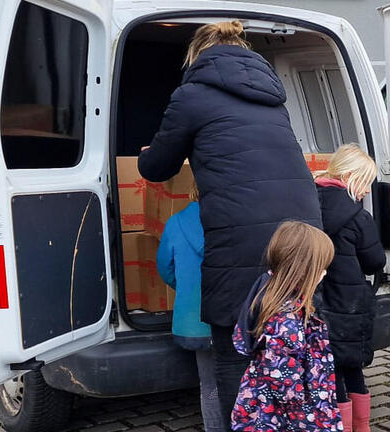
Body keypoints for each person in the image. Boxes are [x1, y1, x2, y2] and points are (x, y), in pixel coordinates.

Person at [137, 21, 322, 420]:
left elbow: (158, 166)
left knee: (235, 351)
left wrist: (147, 152)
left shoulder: (191, 95)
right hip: (303, 230)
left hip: (241, 232)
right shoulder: (273, 98)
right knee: (292, 345)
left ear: (197, 55)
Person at [231, 221, 343, 431]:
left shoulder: (267, 292)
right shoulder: (285, 318)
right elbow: (284, 383)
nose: (325, 274)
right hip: (288, 416)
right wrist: (313, 407)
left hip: (273, 409)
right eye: (322, 268)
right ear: (303, 270)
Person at [313, 144, 385, 432]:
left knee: (331, 372)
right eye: (366, 182)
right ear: (352, 176)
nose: (367, 191)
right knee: (352, 367)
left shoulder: (308, 203)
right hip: (349, 304)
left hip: (316, 300)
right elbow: (374, 261)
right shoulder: (358, 217)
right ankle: (362, 427)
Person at [156, 184, 224, 432]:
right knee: (241, 379)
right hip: (232, 317)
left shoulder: (175, 223)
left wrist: (185, 288)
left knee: (209, 385)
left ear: (192, 191)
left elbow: (165, 268)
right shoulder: (232, 219)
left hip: (194, 321)